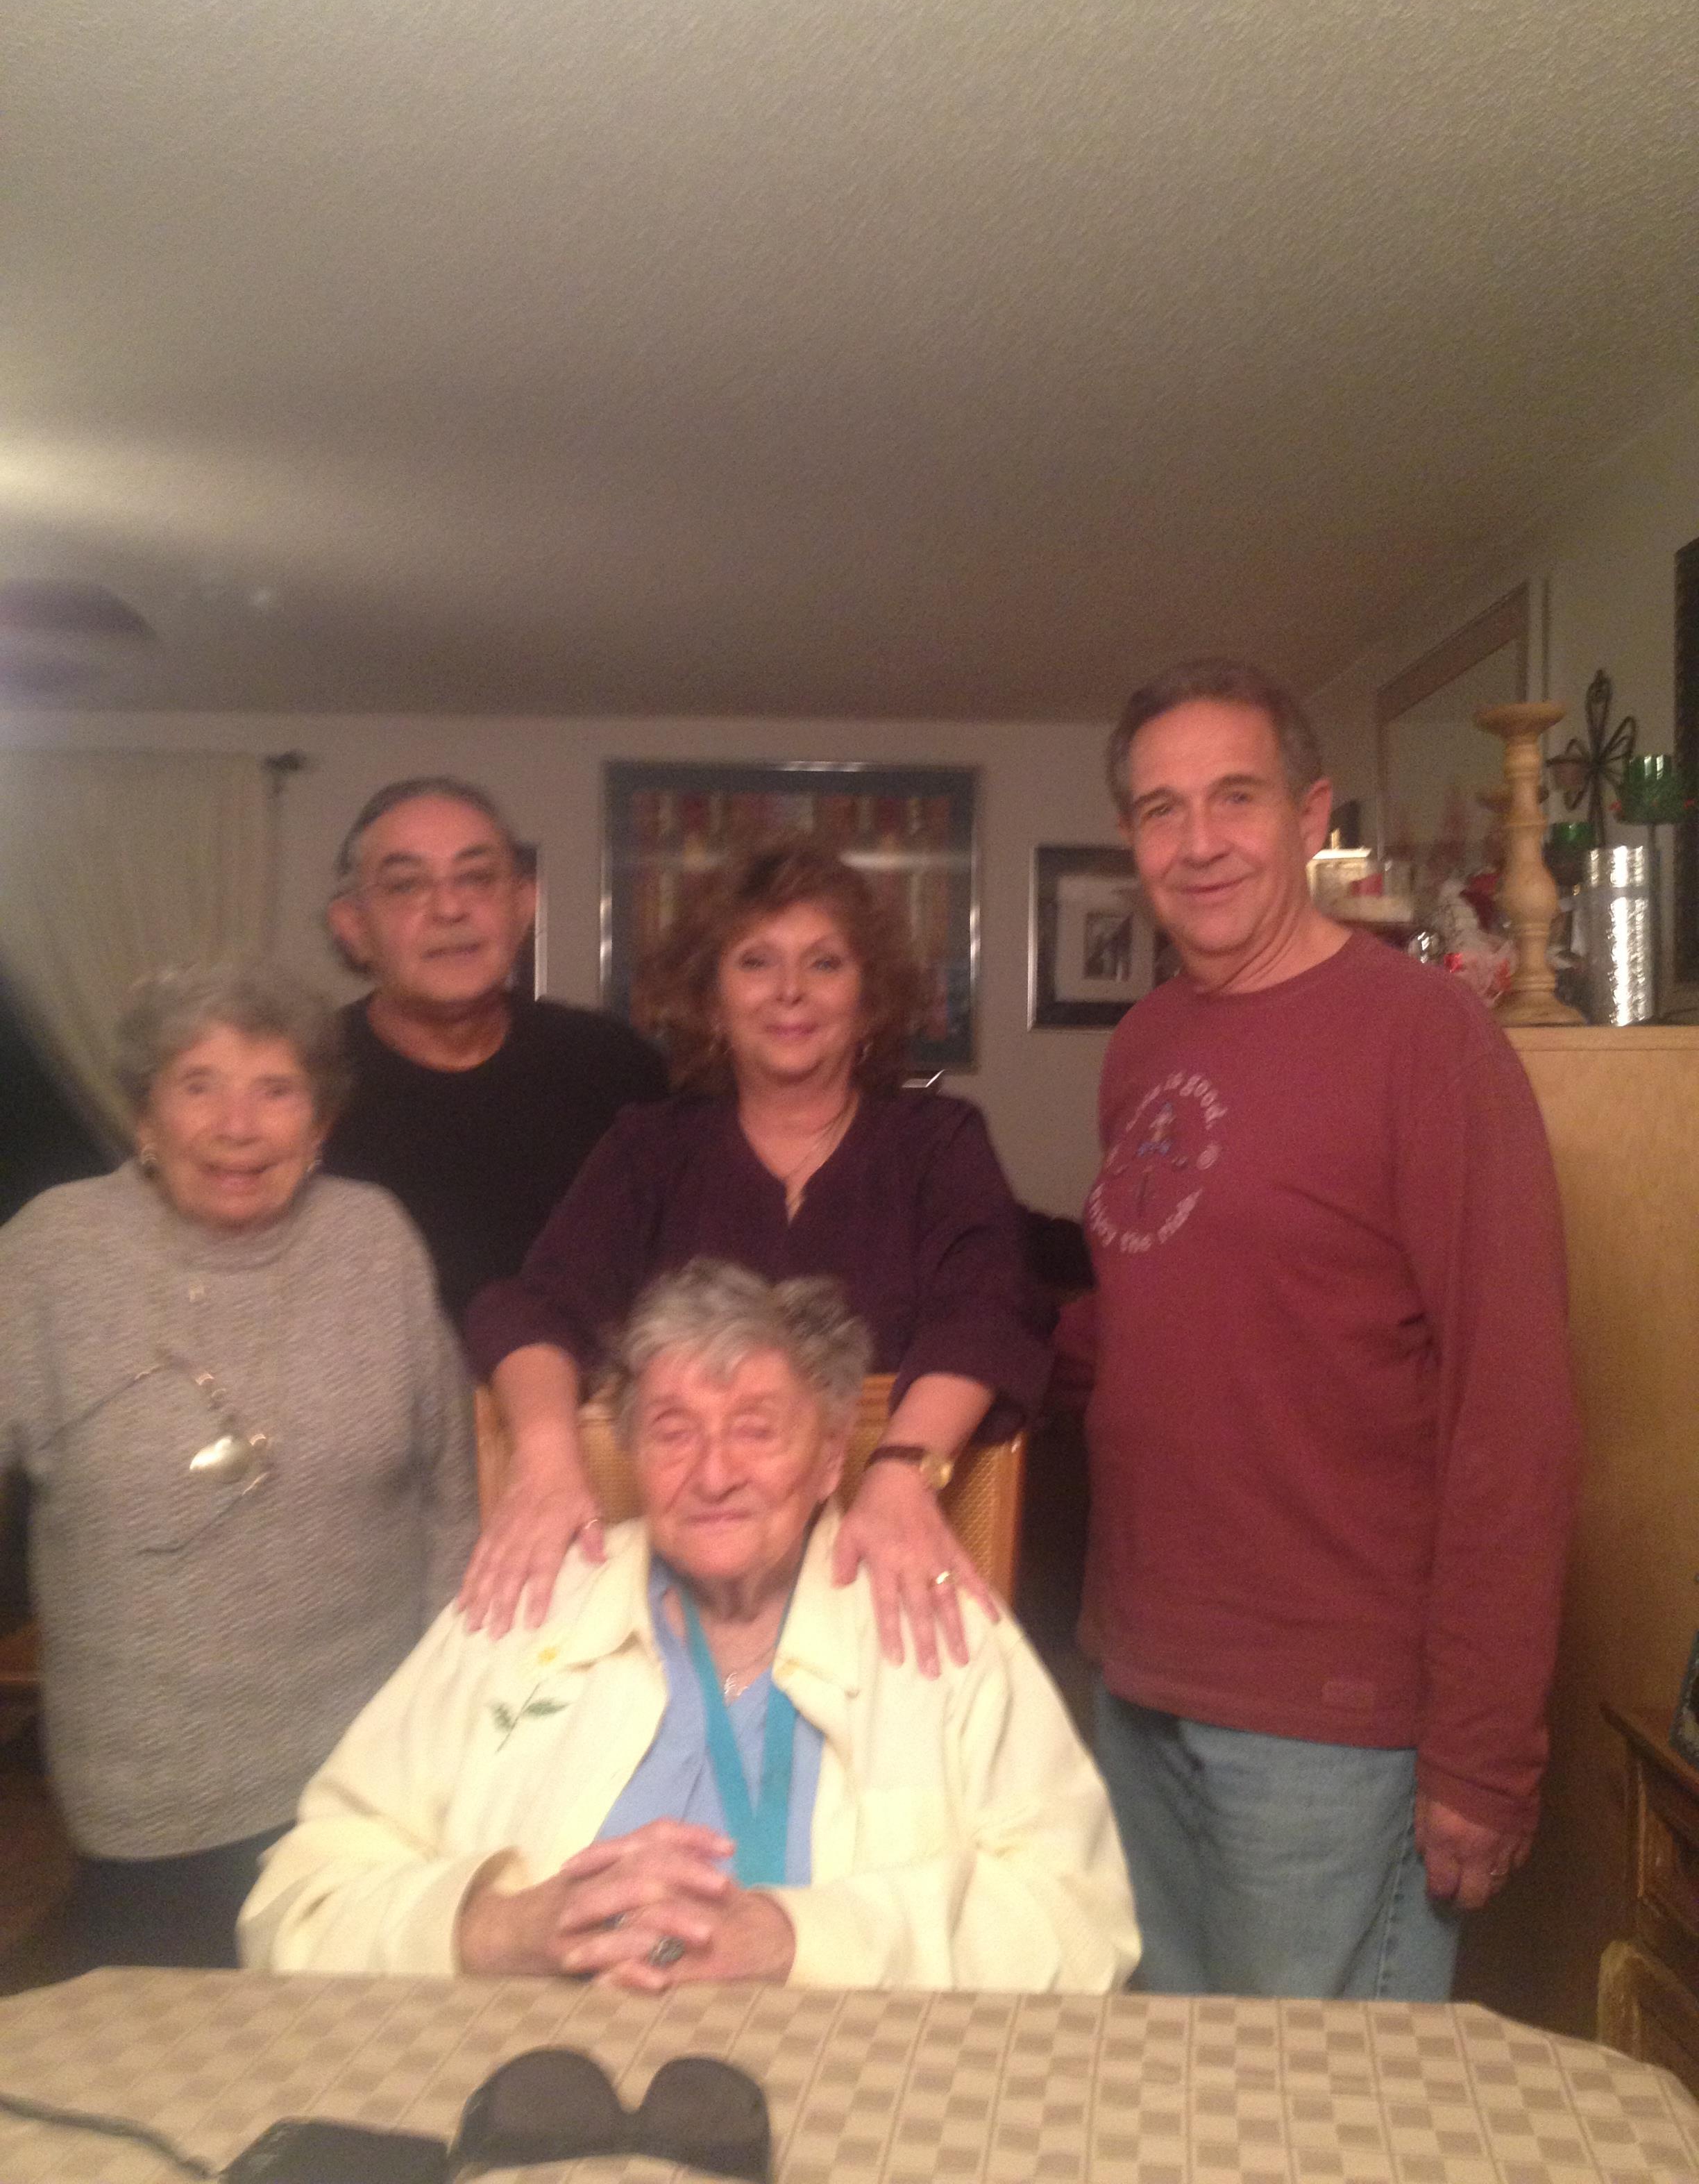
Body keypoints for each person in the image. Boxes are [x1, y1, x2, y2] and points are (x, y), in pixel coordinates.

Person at [1073, 659, 1580, 2001]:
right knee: (1163, 2092)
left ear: (1309, 815)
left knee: (1307, 2108)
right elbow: (1180, 1320)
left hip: (1330, 1721)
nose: (1198, 841)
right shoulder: (1143, 1042)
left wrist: (1483, 1749)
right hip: (1141, 1683)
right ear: (1130, 836)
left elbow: (1514, 1412)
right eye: (1161, 808)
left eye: (1233, 797)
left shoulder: (1424, 1039)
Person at [240, 1260, 1138, 1990]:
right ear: (632, 1450)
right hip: (532, 2095)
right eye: (674, 1431)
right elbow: (298, 1901)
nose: (713, 1475)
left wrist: (799, 1937)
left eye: (757, 1429)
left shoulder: (934, 1620)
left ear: (831, 1459)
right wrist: (499, 1928)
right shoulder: (523, 1606)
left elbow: (1081, 1923)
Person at [461, 837, 1049, 1670]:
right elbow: (534, 1311)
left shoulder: (939, 1142)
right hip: (680, 1592)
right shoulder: (649, 1150)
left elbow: (986, 1316)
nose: (789, 991)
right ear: (711, 1001)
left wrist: (901, 1472)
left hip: (882, 1579)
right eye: (755, 962)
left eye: (825, 963)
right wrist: (547, 1458)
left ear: (870, 1000)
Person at [0, 959, 477, 1975]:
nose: (237, 1125)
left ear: (319, 1123)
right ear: (146, 1114)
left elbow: (450, 1485)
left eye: (275, 1090)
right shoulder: (51, 1255)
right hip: (152, 1799)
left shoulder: (373, 1239)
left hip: (375, 1782)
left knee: (371, 2049)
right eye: (199, 1084)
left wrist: (447, 1714)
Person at [322, 776, 667, 1322]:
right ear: (353, 926)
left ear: (524, 904)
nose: (449, 908)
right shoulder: (301, 1078)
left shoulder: (615, 1066)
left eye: (477, 878)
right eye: (407, 886)